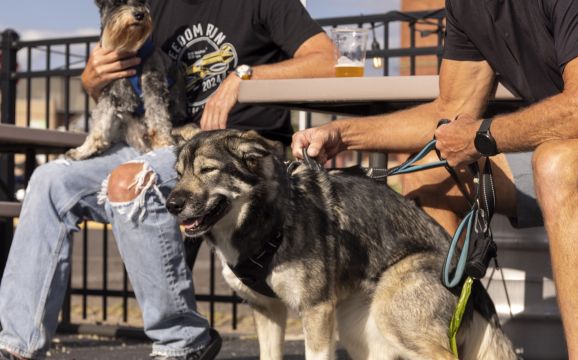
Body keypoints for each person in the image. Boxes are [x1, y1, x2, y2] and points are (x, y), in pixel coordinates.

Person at [0, 0, 334, 359]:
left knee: (132, 182)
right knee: (49, 180)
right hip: (158, 138)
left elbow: (326, 60)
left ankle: (182, 341)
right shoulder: (150, 6)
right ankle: (19, 344)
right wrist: (91, 82)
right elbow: (122, 94)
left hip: (229, 153)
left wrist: (245, 76)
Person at [291, 0, 578, 357]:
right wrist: (344, 133)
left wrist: (482, 135)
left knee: (557, 163)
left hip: (565, 155)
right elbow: (450, 113)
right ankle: (452, 346)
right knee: (432, 167)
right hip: (559, 150)